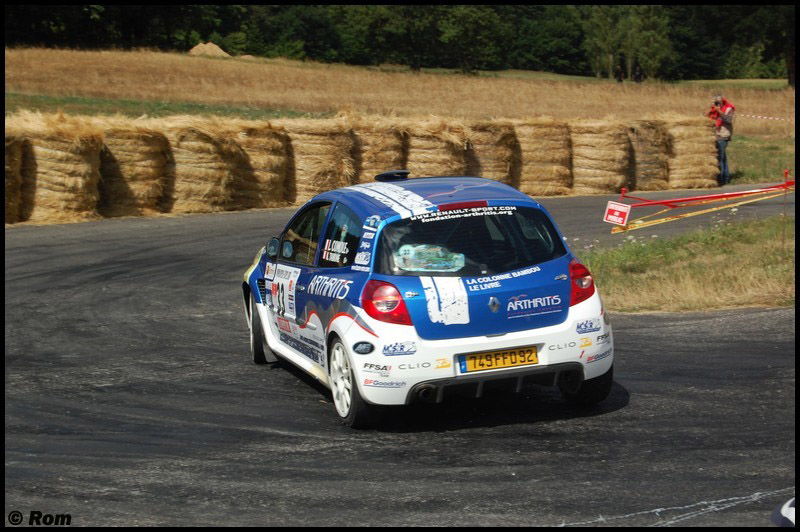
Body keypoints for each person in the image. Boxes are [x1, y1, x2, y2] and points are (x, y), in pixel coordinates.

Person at [707, 94, 735, 185]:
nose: (717, 103)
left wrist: (720, 112)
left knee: (720, 157)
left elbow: (729, 120)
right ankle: (725, 177)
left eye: (718, 101)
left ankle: (721, 179)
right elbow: (707, 119)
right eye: (715, 101)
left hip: (723, 135)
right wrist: (711, 110)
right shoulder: (714, 110)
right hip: (715, 134)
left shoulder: (729, 109)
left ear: (723, 100)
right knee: (722, 157)